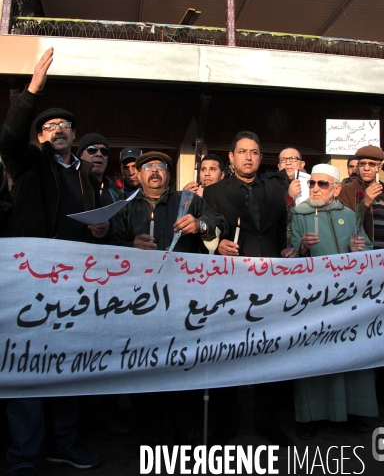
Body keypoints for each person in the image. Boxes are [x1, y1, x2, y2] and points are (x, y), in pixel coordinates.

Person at [0, 48, 105, 474]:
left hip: (76, 288)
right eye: (50, 125)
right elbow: (8, 139)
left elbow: (92, 221)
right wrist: (31, 92)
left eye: (65, 125)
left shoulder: (87, 175)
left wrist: (99, 230)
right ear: (40, 136)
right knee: (28, 364)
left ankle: (64, 442)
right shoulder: (29, 163)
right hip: (33, 283)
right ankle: (24, 456)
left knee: (67, 366)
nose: (58, 128)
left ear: (74, 135)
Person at [109, 150, 228, 446]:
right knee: (144, 367)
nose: (154, 171)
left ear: (168, 173)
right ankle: (150, 432)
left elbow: (220, 224)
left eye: (160, 166)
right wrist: (129, 245)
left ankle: (186, 431)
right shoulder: (126, 207)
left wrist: (199, 226)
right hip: (140, 302)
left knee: (182, 364)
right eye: (147, 166)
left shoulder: (187, 202)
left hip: (183, 300)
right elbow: (108, 246)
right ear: (138, 173)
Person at [203, 131, 291, 446]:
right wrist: (216, 244)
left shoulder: (275, 190)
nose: (249, 157)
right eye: (242, 151)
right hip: (230, 285)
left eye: (254, 151)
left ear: (260, 156)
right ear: (231, 156)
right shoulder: (213, 192)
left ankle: (268, 423)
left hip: (270, 284)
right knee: (228, 353)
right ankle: (226, 425)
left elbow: (282, 231)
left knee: (269, 355)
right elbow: (205, 231)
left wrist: (287, 250)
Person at [291, 163, 377, 439]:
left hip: (348, 300)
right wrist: (302, 247)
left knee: (350, 355)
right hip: (313, 300)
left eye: (323, 184)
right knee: (314, 356)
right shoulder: (299, 214)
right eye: (312, 184)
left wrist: (360, 249)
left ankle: (352, 411)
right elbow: (288, 252)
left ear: (337, 189)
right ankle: (313, 414)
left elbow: (369, 250)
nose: (315, 189)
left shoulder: (351, 215)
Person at [338, 145, 384, 412]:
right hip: (363, 272)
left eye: (372, 164)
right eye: (362, 163)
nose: (366, 168)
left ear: (379, 166)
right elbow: (346, 228)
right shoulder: (347, 192)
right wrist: (364, 203)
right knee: (364, 331)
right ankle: (362, 395)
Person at [77, 133, 120, 206]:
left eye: (104, 151)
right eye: (92, 150)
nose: (99, 154)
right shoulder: (71, 186)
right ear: (80, 156)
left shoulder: (114, 193)